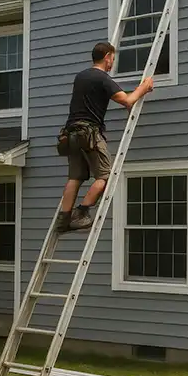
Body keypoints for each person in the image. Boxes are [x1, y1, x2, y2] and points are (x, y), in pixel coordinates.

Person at [55, 42, 154, 233]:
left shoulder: (80, 77)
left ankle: (63, 220)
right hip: (90, 133)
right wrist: (144, 87)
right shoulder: (101, 78)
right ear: (107, 56)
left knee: (74, 177)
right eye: (113, 59)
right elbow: (127, 101)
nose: (112, 64)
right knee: (105, 176)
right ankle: (81, 213)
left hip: (70, 134)